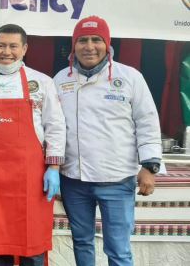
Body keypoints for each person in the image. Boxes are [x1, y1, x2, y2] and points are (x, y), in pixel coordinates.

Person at [53, 15, 162, 266]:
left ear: (107, 44)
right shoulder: (61, 79)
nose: (89, 46)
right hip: (74, 179)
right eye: (82, 40)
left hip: (117, 179)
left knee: (119, 249)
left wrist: (149, 166)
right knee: (82, 242)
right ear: (74, 45)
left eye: (96, 40)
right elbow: (53, 126)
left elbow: (147, 121)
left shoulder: (130, 77)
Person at [0, 24, 66, 266]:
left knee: (30, 242)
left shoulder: (41, 82)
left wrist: (53, 168)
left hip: (30, 175)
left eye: (13, 46)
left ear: (24, 48)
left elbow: (55, 124)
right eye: (1, 45)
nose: (7, 52)